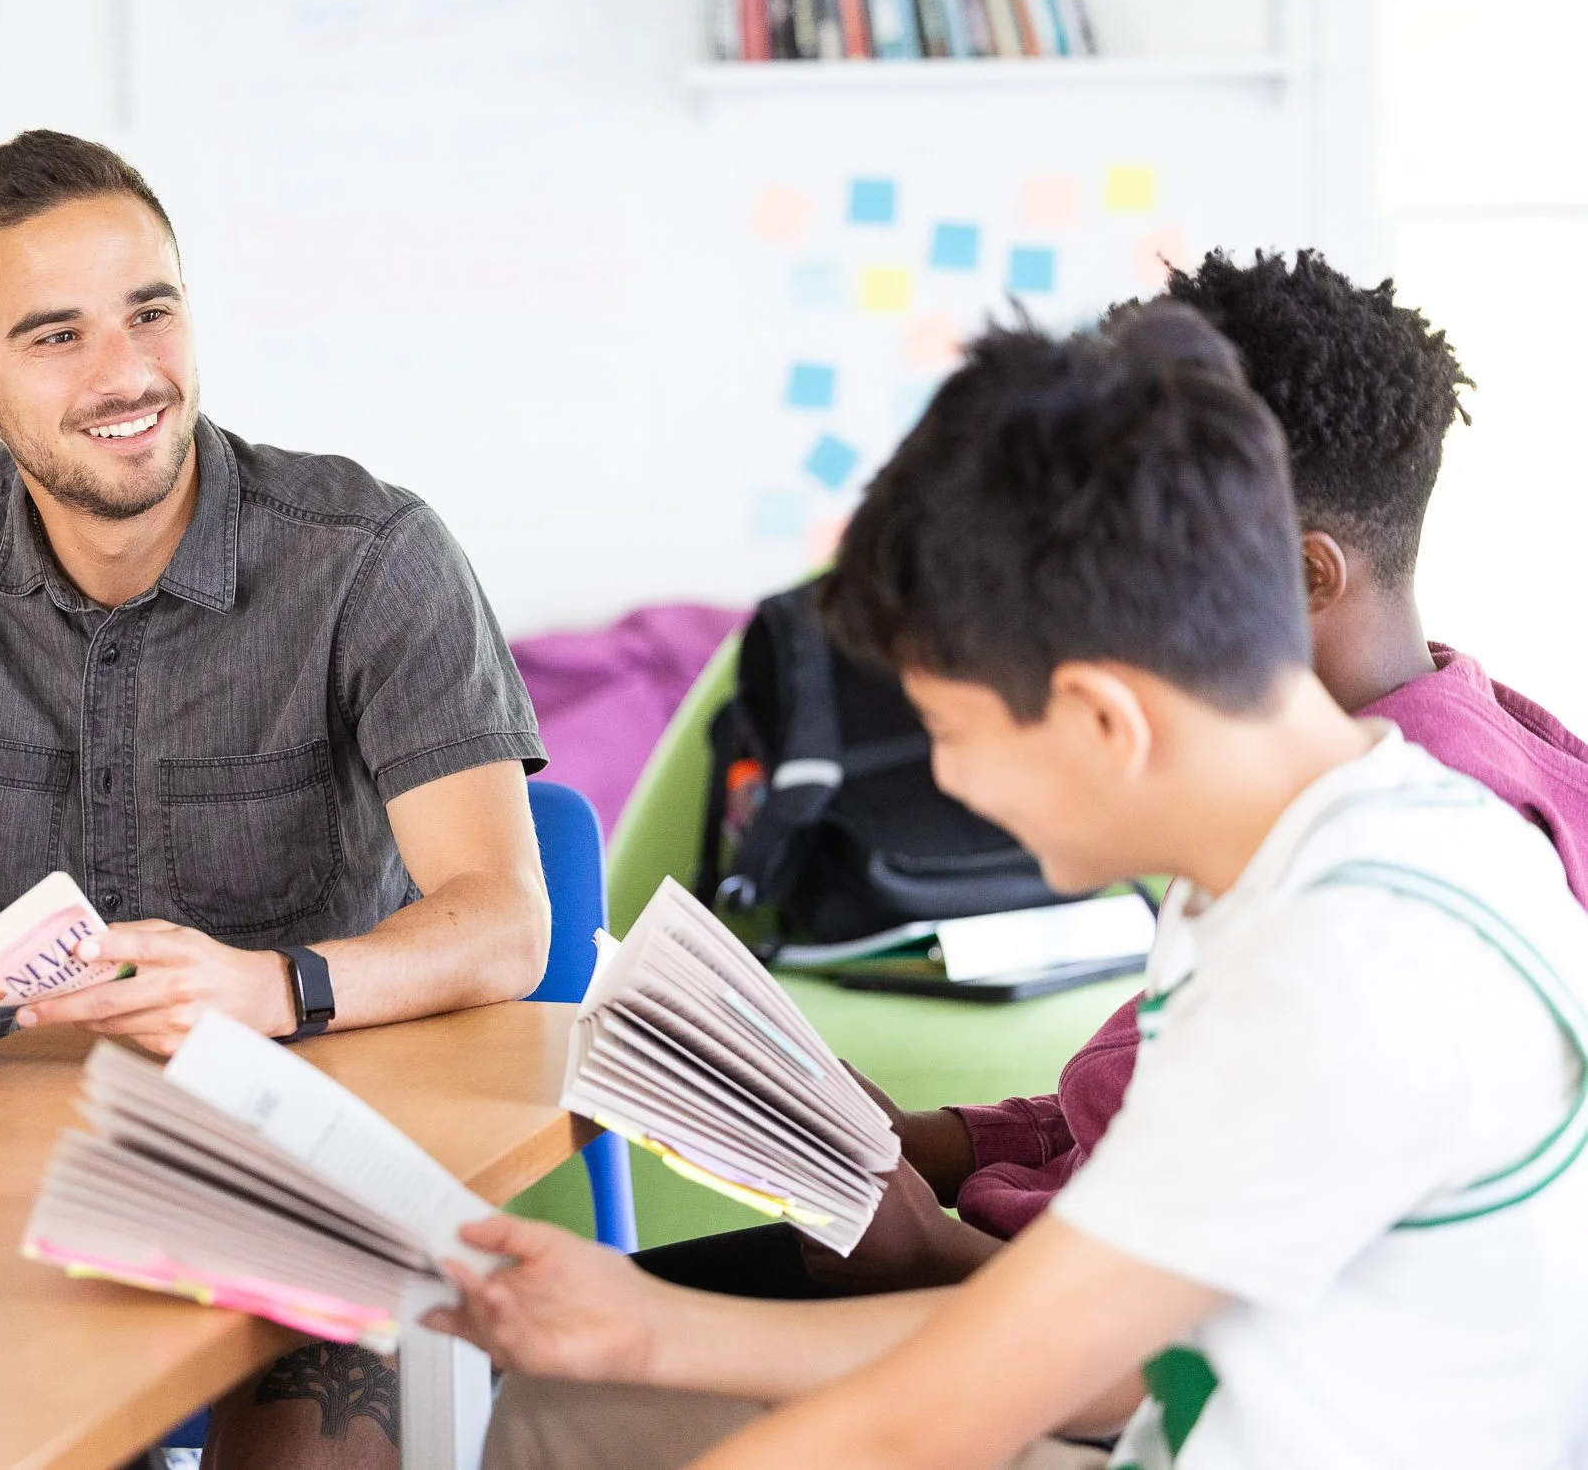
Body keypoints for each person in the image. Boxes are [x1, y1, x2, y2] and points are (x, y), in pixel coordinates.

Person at [428, 303, 1588, 1470]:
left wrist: (655, 1338)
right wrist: (647, 1332)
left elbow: (987, 1399)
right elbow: (1094, 1356)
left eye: (951, 731)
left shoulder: (1357, 958)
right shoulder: (1310, 855)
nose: (952, 784)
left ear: (1099, 716)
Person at [0, 131, 551, 1467]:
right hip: (18, 1137)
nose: (128, 373)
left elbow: (505, 922)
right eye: (56, 336)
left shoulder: (369, 557)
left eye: (152, 311)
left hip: (310, 1139)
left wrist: (274, 985)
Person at [634, 247, 1588, 1302]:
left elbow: (1165, 1346)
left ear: (1298, 570)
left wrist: (932, 1252)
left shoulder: (1394, 884)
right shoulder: (1294, 785)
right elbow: (1143, 1104)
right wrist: (938, 1144)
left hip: (1041, 1316)